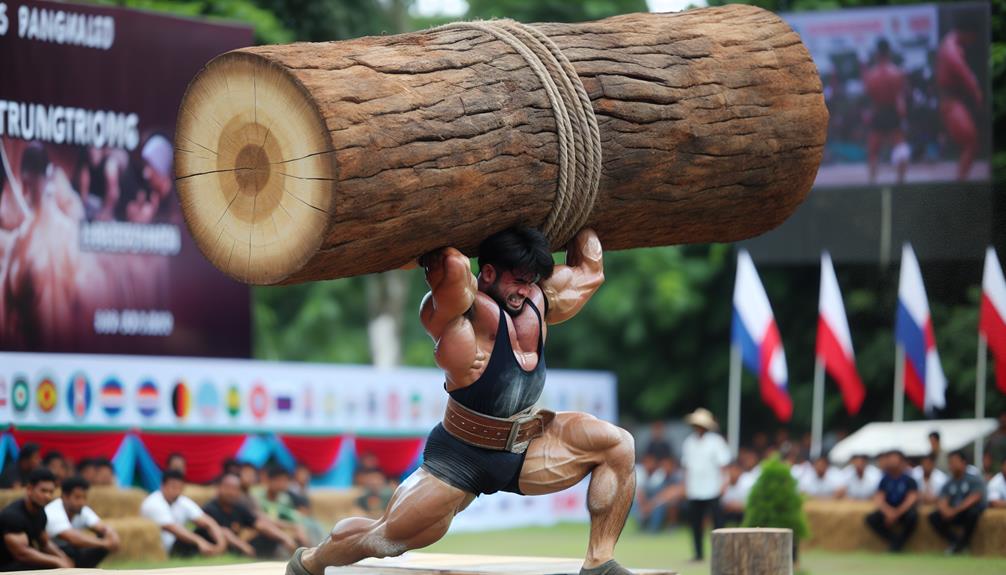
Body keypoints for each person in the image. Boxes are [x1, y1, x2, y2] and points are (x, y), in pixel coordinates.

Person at [288, 227, 635, 575]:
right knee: (386, 538)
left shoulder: (540, 299)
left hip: (526, 444)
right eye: (517, 280)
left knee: (618, 446)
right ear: (487, 273)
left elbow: (591, 270)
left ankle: (599, 562)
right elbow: (453, 266)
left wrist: (583, 213)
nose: (523, 290)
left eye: (530, 280)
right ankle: (310, 562)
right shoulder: (460, 319)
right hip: (460, 456)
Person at [203, 473, 298, 558]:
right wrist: (244, 546)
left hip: (238, 547)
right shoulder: (210, 508)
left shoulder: (238, 507)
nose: (231, 492)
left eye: (235, 489)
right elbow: (222, 531)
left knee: (269, 537)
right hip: (216, 547)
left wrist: (285, 538)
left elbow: (259, 524)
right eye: (228, 488)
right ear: (218, 488)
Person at [680, 408, 731, 562]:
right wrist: (686, 486)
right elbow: (687, 467)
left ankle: (721, 554)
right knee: (695, 523)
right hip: (695, 489)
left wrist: (724, 483)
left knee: (718, 523)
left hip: (713, 488)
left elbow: (724, 465)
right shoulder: (688, 442)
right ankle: (698, 554)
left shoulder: (716, 442)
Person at [936, 20, 984, 181]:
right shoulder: (951, 49)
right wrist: (977, 95)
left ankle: (960, 179)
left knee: (969, 143)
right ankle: (960, 183)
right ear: (968, 33)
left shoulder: (950, 44)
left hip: (955, 100)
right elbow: (965, 75)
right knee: (971, 143)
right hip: (951, 102)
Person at [141, 470, 227, 557]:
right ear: (163, 486)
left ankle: (219, 551)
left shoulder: (182, 501)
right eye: (173, 487)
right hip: (166, 547)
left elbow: (207, 522)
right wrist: (199, 541)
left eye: (179, 488)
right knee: (188, 540)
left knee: (214, 531)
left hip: (181, 542)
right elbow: (172, 528)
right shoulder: (153, 503)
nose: (176, 491)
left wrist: (221, 544)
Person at [0, 468, 73, 570]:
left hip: (23, 564)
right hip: (6, 567)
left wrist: (63, 558)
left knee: (70, 553)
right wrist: (56, 561)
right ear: (29, 489)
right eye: (43, 491)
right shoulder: (13, 516)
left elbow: (45, 543)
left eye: (51, 492)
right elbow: (22, 554)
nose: (47, 496)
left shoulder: (41, 513)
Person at [862, 38, 909, 184]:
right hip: (892, 112)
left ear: (877, 54)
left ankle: (872, 182)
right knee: (900, 147)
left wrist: (871, 113)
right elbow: (900, 99)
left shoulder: (871, 75)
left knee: (873, 151)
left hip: (878, 112)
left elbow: (870, 98)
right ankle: (901, 182)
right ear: (889, 53)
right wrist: (902, 114)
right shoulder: (897, 73)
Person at [44, 476, 120, 567]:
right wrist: (105, 543)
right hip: (53, 553)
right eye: (77, 497)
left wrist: (112, 534)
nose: (82, 502)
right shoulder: (53, 511)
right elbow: (73, 538)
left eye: (84, 497)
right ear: (64, 496)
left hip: (71, 551)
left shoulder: (82, 510)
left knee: (103, 536)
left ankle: (86, 569)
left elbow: (102, 527)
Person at [928, 450, 986, 554]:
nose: (951, 465)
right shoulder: (949, 481)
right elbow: (942, 498)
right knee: (934, 516)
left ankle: (961, 543)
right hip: (953, 513)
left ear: (964, 462)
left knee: (973, 513)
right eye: (950, 462)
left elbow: (975, 497)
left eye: (954, 462)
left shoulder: (974, 479)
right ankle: (958, 543)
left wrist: (954, 511)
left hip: (966, 512)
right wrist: (945, 510)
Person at [865, 450, 918, 552]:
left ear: (902, 462)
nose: (891, 462)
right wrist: (888, 512)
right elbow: (879, 499)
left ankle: (898, 543)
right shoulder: (885, 480)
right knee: (871, 519)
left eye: (894, 459)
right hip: (888, 510)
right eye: (889, 459)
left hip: (903, 512)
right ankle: (896, 541)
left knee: (912, 517)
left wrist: (896, 513)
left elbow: (911, 500)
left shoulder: (909, 480)